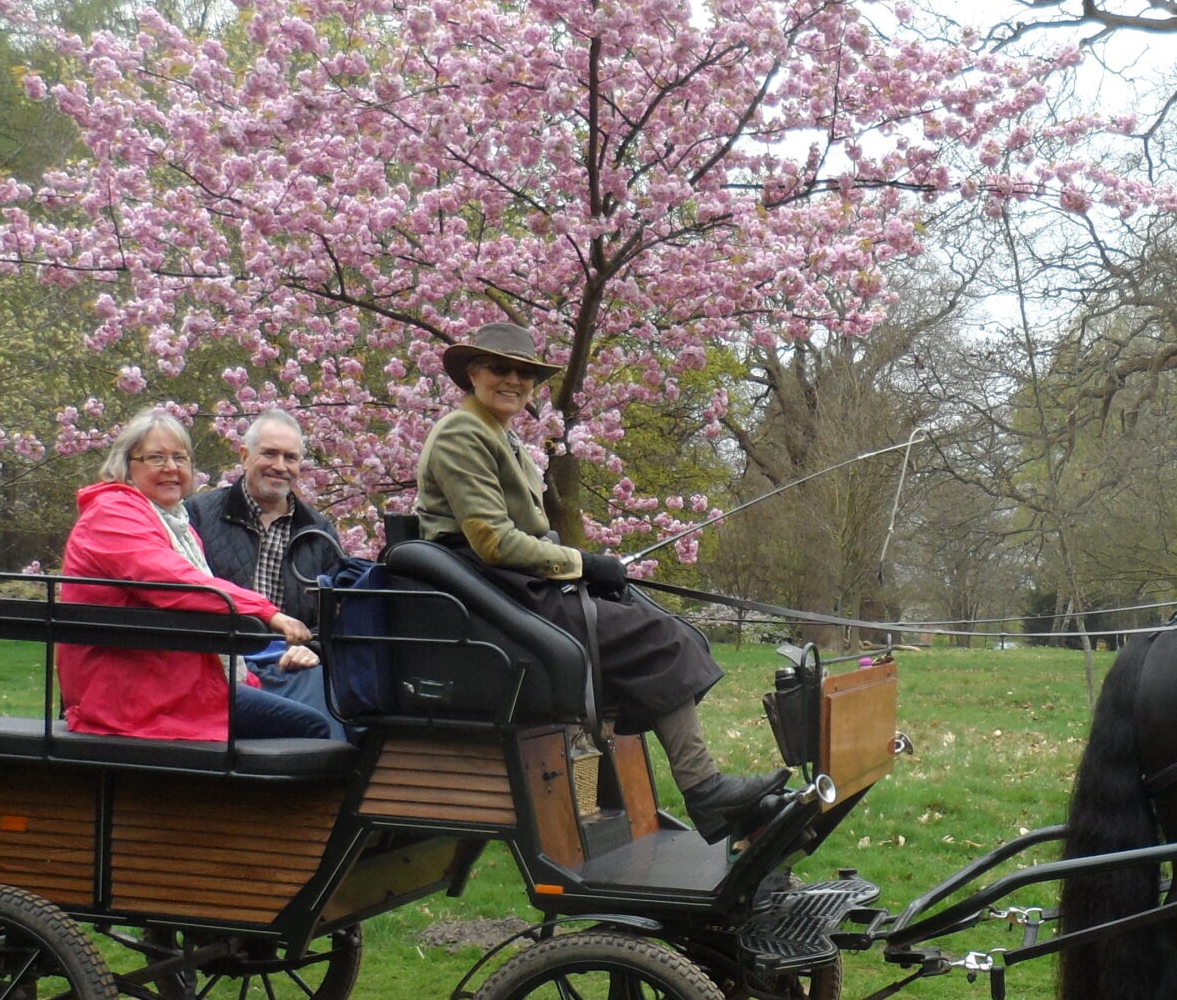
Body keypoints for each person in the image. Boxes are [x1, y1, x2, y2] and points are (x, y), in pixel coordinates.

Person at [412, 323, 782, 841]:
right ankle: (706, 792)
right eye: (500, 368)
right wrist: (583, 564)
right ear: (473, 373)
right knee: (659, 639)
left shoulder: (499, 433)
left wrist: (585, 566)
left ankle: (702, 789)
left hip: (517, 584)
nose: (513, 380)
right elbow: (492, 541)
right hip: (491, 593)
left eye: (524, 372)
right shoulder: (462, 433)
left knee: (666, 627)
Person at [59, 408, 334, 743]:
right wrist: (267, 612)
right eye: (156, 458)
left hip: (169, 676)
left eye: (180, 458)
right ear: (127, 466)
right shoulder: (114, 514)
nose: (172, 468)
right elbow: (173, 582)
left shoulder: (174, 522)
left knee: (321, 696)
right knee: (312, 727)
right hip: (134, 693)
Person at [186, 408, 342, 712]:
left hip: (291, 664)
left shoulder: (318, 532)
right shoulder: (200, 515)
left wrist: (311, 649)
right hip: (217, 661)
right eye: (269, 454)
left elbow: (337, 615)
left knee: (322, 726)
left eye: (291, 458)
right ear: (245, 455)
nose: (280, 466)